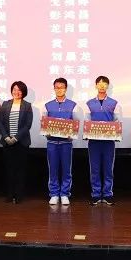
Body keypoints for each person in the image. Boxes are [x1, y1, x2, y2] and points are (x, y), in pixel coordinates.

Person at [42, 77, 80, 206]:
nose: (59, 90)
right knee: (53, 170)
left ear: (66, 89)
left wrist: (72, 134)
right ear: (54, 89)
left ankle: (64, 194)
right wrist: (45, 132)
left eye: (62, 87)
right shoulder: (47, 105)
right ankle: (54, 194)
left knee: (66, 170)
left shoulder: (73, 105)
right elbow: (44, 123)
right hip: (52, 143)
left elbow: (76, 123)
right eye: (57, 87)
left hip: (66, 143)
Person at [85, 76, 121, 206]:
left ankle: (107, 194)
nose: (101, 85)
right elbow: (87, 121)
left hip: (108, 141)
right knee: (94, 168)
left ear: (108, 86)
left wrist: (115, 133)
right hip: (94, 141)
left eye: (104, 83)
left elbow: (117, 121)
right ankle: (95, 194)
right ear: (96, 85)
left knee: (108, 168)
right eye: (99, 83)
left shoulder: (114, 103)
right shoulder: (89, 103)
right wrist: (87, 132)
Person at [0, 81, 33, 204]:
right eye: (14, 89)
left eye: (19, 90)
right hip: (7, 142)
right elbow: (0, 123)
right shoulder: (5, 104)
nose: (16, 92)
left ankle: (18, 195)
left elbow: (27, 125)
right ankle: (9, 194)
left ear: (23, 92)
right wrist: (6, 137)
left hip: (21, 142)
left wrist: (16, 138)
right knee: (9, 169)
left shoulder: (27, 105)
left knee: (20, 170)